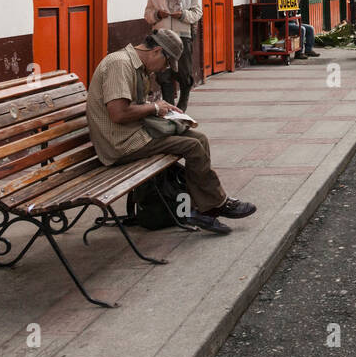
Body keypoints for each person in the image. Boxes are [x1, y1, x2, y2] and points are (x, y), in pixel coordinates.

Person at [86, 29, 255, 235]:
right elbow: (119, 114)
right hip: (120, 144)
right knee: (191, 146)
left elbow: (131, 106)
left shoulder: (136, 66)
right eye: (167, 63)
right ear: (157, 51)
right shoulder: (119, 64)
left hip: (134, 134)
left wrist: (161, 109)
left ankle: (209, 207)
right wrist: (155, 108)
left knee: (199, 138)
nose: (165, 69)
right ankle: (214, 206)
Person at [143, 0, 202, 111]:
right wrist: (157, 14)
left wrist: (183, 15)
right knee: (163, 73)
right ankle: (169, 105)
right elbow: (147, 15)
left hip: (183, 37)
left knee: (185, 72)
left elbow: (197, 12)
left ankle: (183, 104)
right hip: (162, 39)